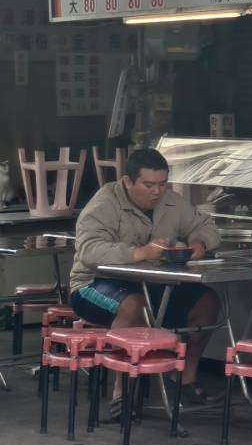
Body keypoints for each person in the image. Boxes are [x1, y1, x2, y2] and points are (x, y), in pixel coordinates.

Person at [69, 148, 221, 414]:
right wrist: (140, 253)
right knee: (134, 306)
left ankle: (184, 379)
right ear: (128, 182)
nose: (157, 192)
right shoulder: (104, 204)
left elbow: (205, 226)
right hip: (92, 284)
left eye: (162, 184)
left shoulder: (172, 202)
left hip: (152, 286)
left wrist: (199, 242)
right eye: (148, 185)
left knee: (207, 302)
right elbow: (89, 251)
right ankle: (122, 392)